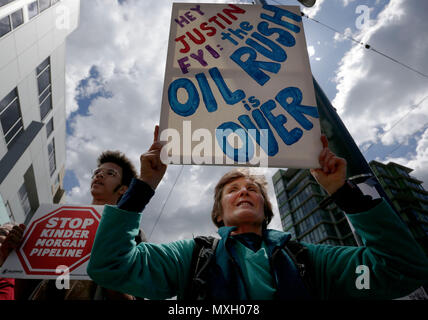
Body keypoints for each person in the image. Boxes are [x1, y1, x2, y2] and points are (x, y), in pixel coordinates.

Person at [86, 126, 428, 299]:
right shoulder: (190, 256)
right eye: (232, 190)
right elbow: (110, 267)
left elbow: (402, 269)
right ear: (218, 213)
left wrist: (343, 192)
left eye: (253, 189)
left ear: (266, 210)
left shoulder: (310, 260)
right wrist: (143, 185)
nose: (245, 190)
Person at [8, 150, 145, 300]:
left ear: (123, 189)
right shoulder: (58, 225)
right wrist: (18, 254)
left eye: (111, 173)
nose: (99, 175)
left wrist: (105, 269)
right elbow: (26, 292)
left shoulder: (131, 234)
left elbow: (135, 295)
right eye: (97, 172)